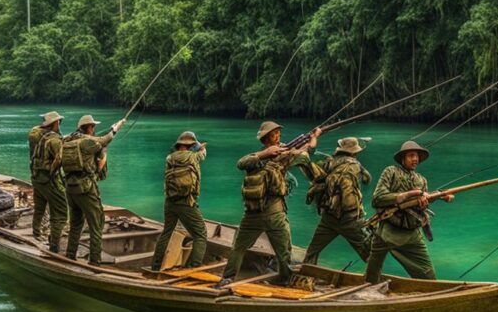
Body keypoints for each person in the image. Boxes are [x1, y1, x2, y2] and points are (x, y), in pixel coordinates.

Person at [217, 121, 321, 287]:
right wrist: (267, 153)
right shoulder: (265, 157)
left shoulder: (272, 156)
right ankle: (231, 277)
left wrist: (312, 138)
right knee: (248, 247)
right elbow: (241, 163)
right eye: (274, 134)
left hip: (264, 214)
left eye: (278, 133)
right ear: (266, 139)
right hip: (265, 214)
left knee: (277, 250)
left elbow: (306, 151)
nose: (278, 135)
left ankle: (280, 278)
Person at [364, 140, 453, 283]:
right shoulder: (391, 172)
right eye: (411, 155)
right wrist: (409, 194)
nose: (415, 159)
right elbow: (378, 199)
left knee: (428, 276)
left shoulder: (421, 180)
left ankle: (432, 294)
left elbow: (420, 207)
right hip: (388, 232)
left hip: (412, 234)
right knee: (372, 273)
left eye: (417, 156)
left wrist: (437, 197)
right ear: (403, 158)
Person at [61, 114, 125, 265]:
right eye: (93, 126)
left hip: (70, 187)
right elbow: (104, 141)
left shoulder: (68, 140)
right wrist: (115, 129)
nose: (95, 129)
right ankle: (95, 261)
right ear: (89, 127)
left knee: (76, 223)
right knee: (97, 224)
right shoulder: (86, 143)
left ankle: (70, 255)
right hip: (85, 189)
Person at [302, 137, 372, 265]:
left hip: (329, 217)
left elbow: (315, 175)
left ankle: (305, 277)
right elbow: (368, 179)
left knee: (313, 251)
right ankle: (376, 279)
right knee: (369, 253)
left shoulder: (329, 163)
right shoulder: (356, 165)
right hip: (350, 219)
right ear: (354, 153)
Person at [150, 131, 209, 271]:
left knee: (167, 232)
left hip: (170, 201)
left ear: (178, 145)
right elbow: (203, 153)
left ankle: (156, 265)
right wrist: (200, 146)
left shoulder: (169, 158)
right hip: (187, 202)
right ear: (191, 145)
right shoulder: (194, 157)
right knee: (201, 234)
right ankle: (195, 268)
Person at [27, 111, 67, 253]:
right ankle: (54, 245)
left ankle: (36, 233)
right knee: (61, 212)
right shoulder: (54, 140)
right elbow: (58, 159)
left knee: (40, 207)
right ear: (55, 123)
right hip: (48, 179)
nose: (60, 125)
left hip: (36, 177)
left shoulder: (36, 135)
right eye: (59, 122)